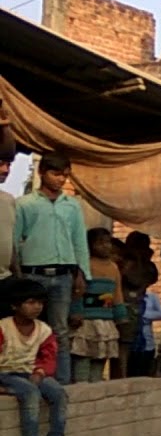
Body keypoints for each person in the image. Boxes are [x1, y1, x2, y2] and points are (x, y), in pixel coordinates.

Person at [15, 153, 90, 385]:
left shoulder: (72, 206)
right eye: (55, 174)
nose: (60, 180)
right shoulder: (25, 204)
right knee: (30, 327)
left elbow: (79, 241)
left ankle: (62, 381)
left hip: (64, 274)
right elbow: (15, 241)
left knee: (60, 330)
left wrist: (82, 273)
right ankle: (29, 376)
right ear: (41, 173)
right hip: (32, 273)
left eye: (65, 175)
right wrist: (17, 276)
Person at [0, 279, 67, 436]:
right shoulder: (3, 327)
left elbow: (49, 357)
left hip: (30, 372)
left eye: (40, 302)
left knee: (58, 393)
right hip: (6, 372)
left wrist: (40, 372)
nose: (36, 307)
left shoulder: (44, 329)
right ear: (15, 305)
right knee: (30, 393)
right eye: (30, 302)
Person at [70, 228, 126, 383]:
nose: (105, 246)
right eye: (100, 243)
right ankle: (80, 390)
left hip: (106, 321)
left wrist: (120, 314)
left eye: (108, 242)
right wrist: (76, 310)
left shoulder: (113, 268)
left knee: (100, 357)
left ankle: (95, 389)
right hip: (86, 321)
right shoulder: (85, 264)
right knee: (83, 356)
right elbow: (78, 291)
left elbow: (117, 292)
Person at [116, 232, 159, 378]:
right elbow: (131, 279)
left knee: (132, 343)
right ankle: (121, 376)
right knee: (123, 344)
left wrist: (142, 259)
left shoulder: (145, 265)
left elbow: (150, 277)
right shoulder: (126, 263)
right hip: (124, 304)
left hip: (136, 306)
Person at [129, 278, 161, 379]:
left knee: (145, 371)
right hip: (132, 341)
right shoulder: (130, 297)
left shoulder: (152, 297)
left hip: (147, 340)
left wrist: (143, 314)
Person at [0, 153, 16, 281]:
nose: (6, 170)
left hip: (5, 278)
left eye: (8, 165)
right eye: (0, 164)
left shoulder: (8, 200)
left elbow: (13, 241)